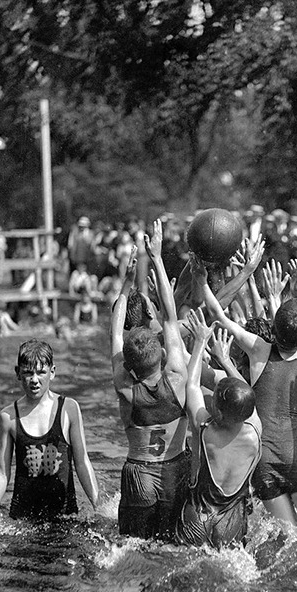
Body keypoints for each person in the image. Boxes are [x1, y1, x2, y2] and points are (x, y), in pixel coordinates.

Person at [202, 276, 297, 559]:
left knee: (292, 547)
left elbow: (216, 313)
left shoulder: (259, 349)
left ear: (273, 329)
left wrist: (200, 275)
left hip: (264, 462)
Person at [110, 222, 190, 540]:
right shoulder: (179, 378)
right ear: (161, 354)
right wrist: (156, 257)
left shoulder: (125, 388)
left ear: (129, 362)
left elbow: (116, 332)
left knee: (130, 546)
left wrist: (127, 281)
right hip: (174, 470)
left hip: (139, 473)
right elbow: (170, 318)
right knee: (173, 544)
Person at [173, 310, 262, 550]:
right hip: (231, 522)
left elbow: (190, 384)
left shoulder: (203, 427)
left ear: (218, 412)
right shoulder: (255, 429)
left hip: (197, 518)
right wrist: (225, 360)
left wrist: (201, 341)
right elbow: (247, 394)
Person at [0, 338, 99, 521]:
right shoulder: (8, 417)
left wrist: (97, 505)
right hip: (23, 518)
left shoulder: (69, 408)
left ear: (52, 372)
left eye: (41, 372)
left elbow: (82, 461)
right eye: (28, 373)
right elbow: (1, 471)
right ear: (17, 373)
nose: (34, 380)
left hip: (65, 515)